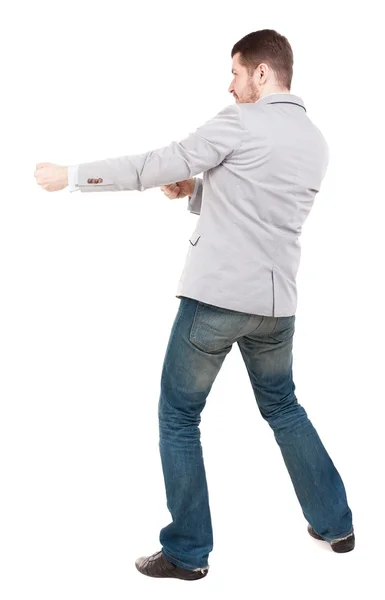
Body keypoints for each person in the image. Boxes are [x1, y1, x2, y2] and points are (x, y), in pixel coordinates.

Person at [34, 28, 354, 581]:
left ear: (261, 73)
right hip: (277, 307)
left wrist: (72, 177)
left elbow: (154, 163)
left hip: (217, 300)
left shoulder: (240, 121)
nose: (229, 84)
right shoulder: (315, 139)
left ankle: (187, 551)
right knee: (284, 407)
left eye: (235, 72)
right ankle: (336, 525)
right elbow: (262, 199)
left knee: (178, 417)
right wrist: (195, 191)